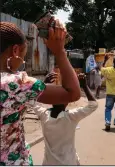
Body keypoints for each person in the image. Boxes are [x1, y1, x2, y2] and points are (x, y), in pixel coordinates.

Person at [0, 21, 81, 165]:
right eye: (23, 55)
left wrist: (43, 84)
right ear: (15, 51)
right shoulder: (16, 83)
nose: (23, 61)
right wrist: (60, 52)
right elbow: (73, 93)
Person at [34, 73, 98, 165]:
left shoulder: (44, 115)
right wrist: (84, 85)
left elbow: (32, 102)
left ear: (51, 101)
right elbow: (93, 105)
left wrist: (43, 85)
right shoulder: (71, 117)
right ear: (67, 103)